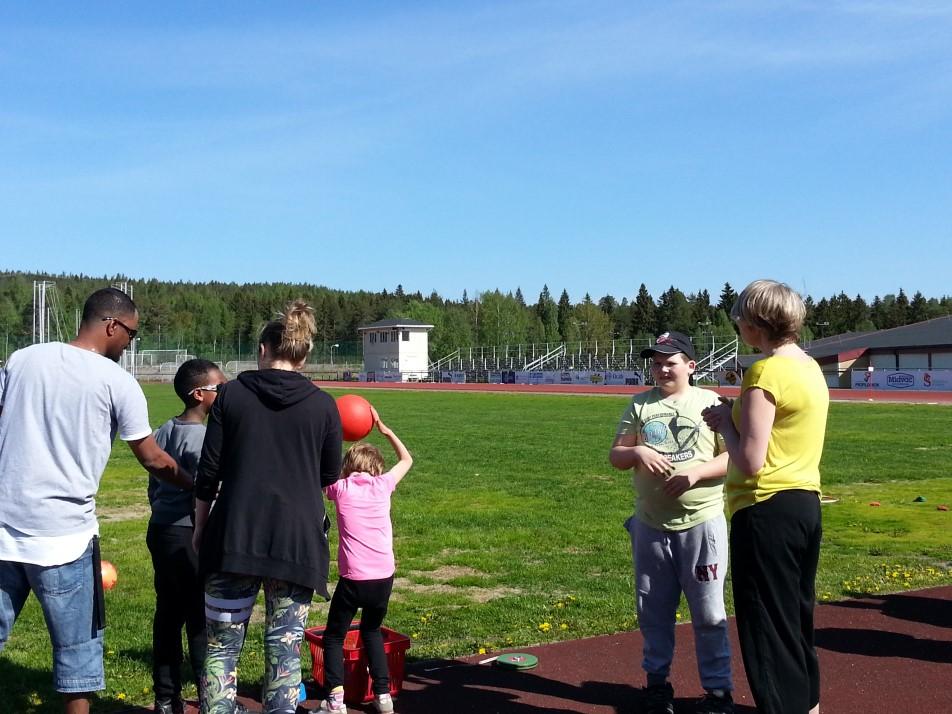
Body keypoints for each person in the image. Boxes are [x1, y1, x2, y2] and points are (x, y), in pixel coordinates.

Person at [0, 287, 188, 714]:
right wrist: (197, 485)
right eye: (132, 334)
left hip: (4, 528)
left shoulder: (23, 359)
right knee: (77, 660)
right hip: (64, 538)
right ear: (111, 325)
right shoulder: (116, 381)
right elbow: (154, 459)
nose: (130, 344)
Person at [192, 300, 343, 714]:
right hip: (296, 542)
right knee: (284, 656)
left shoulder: (230, 396)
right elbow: (328, 475)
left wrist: (200, 527)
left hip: (234, 537)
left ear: (263, 349)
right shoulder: (324, 405)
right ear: (305, 354)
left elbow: (208, 473)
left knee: (221, 651)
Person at [702, 280, 829, 714]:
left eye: (739, 316)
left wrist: (725, 423)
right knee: (795, 623)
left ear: (756, 323)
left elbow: (750, 460)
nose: (737, 323)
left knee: (767, 632)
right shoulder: (810, 368)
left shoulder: (765, 372)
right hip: (804, 504)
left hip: (764, 508)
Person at [609, 331, 734, 714]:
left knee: (709, 613)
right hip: (651, 525)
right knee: (653, 611)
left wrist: (695, 475)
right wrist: (638, 451)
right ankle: (657, 685)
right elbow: (616, 456)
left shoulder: (711, 402)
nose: (662, 368)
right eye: (656, 362)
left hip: (702, 522)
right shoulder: (640, 404)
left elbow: (734, 458)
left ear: (691, 366)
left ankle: (717, 692)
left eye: (670, 362)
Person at [318, 409, 413, 714]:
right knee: (372, 631)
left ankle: (335, 702)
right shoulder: (383, 485)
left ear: (348, 468)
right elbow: (407, 460)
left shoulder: (339, 489)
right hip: (384, 576)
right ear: (376, 468)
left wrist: (331, 434)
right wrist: (385, 430)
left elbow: (321, 470)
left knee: (333, 636)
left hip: (354, 579)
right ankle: (383, 695)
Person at [148, 358, 228, 714]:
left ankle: (166, 699)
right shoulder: (204, 439)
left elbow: (155, 482)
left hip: (162, 530)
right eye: (219, 389)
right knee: (199, 619)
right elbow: (211, 491)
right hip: (189, 535)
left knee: (167, 615)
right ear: (199, 394)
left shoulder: (164, 429)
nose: (224, 395)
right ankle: (209, 698)